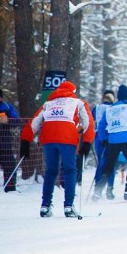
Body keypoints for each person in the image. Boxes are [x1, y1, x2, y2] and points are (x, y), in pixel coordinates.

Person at [20, 81, 95, 217]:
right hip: (67, 138)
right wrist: (87, 141)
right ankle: (68, 206)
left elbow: (34, 122)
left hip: (49, 139)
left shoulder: (48, 104)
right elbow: (88, 122)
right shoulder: (78, 102)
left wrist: (26, 140)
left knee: (51, 171)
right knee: (70, 170)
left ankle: (45, 206)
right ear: (73, 91)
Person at [93, 84, 127, 201]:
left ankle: (97, 192)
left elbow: (101, 126)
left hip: (112, 141)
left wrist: (103, 139)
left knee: (108, 167)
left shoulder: (109, 109)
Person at [0, 86, 22, 192]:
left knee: (10, 165)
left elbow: (17, 121)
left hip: (5, 141)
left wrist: (7, 120)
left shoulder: (7, 107)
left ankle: (11, 188)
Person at [91, 90, 116, 198]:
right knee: (111, 163)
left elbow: (91, 122)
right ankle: (109, 190)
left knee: (101, 163)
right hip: (110, 136)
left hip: (98, 137)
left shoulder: (96, 108)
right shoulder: (114, 109)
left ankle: (97, 190)